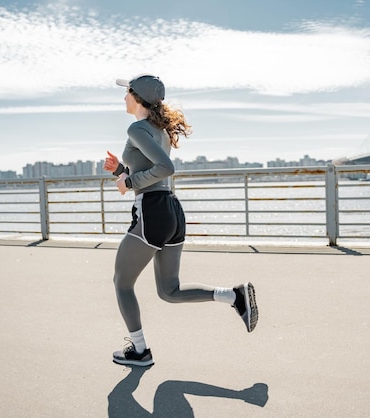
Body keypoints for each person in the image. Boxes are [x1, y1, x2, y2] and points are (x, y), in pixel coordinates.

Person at [103, 74, 258, 367]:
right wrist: (120, 171)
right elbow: (153, 168)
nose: (123, 97)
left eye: (127, 92)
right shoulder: (156, 128)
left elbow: (165, 167)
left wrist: (129, 181)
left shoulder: (137, 127)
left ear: (137, 97)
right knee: (168, 291)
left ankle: (140, 352)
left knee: (122, 282)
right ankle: (234, 295)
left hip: (152, 210)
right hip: (171, 210)